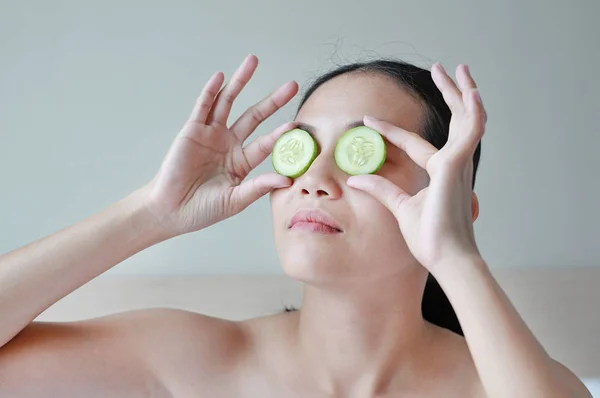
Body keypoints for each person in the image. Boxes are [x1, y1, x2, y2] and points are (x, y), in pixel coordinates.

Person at [0, 54, 591, 398]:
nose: (313, 179)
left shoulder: (505, 382)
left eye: (367, 150)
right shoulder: (196, 360)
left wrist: (459, 260)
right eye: (302, 149)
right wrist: (150, 213)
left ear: (455, 207)